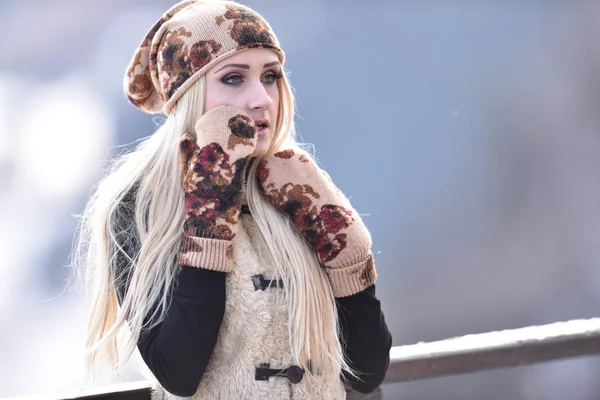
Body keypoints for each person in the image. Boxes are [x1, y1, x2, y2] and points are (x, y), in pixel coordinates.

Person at [74, 0, 392, 398]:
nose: (262, 98)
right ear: (187, 94)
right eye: (233, 78)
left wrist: (350, 255)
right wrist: (211, 206)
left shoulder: (298, 188)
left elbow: (366, 371)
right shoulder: (138, 206)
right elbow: (179, 372)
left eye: (271, 76)